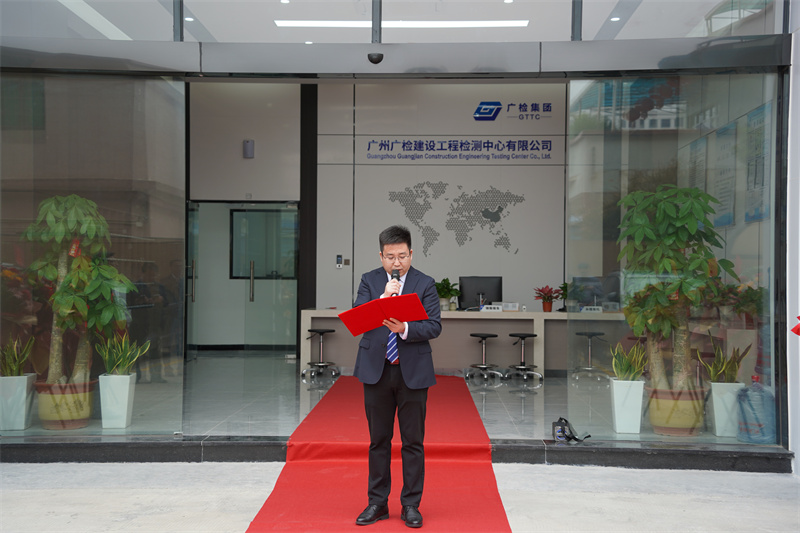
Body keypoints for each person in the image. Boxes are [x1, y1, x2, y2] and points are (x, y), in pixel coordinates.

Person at [353, 225, 442, 529]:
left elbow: (434, 326)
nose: (396, 262)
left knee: (413, 442)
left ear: (411, 253)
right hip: (376, 370)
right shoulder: (370, 280)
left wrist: (404, 328)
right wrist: (383, 298)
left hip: (412, 372)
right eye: (390, 257)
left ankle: (411, 505)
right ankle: (377, 503)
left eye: (402, 256)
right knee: (378, 440)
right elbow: (359, 318)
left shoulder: (424, 283)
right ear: (381, 256)